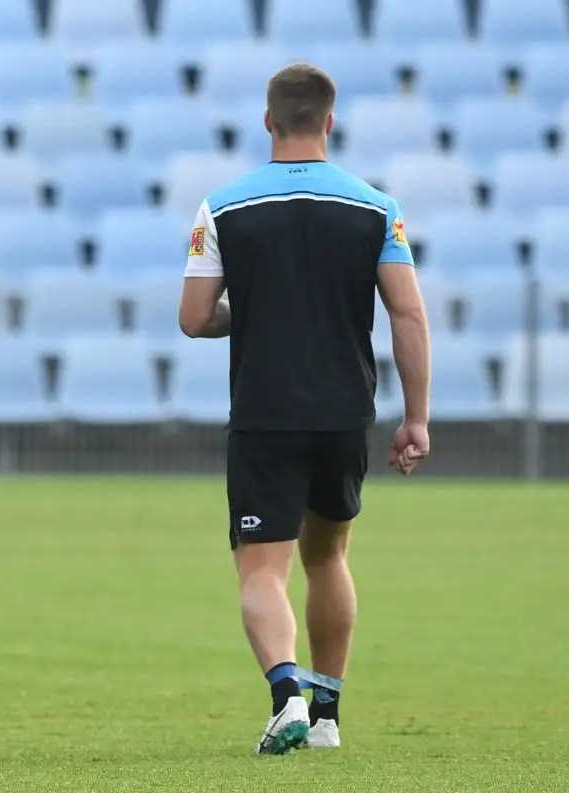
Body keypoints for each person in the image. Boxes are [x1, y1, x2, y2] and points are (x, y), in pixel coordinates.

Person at [177, 63, 431, 755]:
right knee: (329, 557)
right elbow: (407, 313)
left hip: (265, 411)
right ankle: (327, 717)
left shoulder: (223, 207)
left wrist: (252, 312)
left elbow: (194, 318)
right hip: (346, 410)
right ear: (329, 120)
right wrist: (417, 417)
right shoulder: (377, 207)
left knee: (262, 568)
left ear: (267, 121)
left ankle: (284, 694)